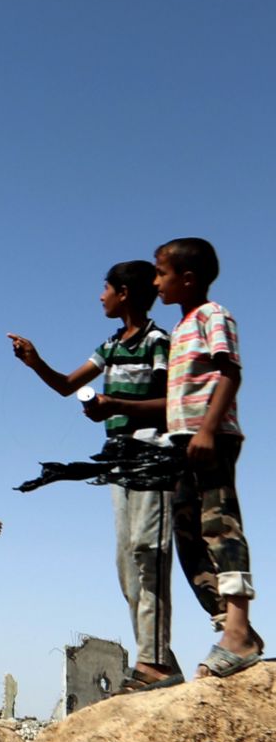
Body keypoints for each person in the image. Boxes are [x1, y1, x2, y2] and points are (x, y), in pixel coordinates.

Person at [7, 261, 181, 690]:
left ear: (124, 293)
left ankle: (153, 663)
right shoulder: (109, 346)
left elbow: (169, 402)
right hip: (120, 463)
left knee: (149, 552)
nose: (99, 296)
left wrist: (114, 405)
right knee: (127, 564)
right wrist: (35, 362)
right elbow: (68, 384)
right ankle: (160, 660)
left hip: (154, 459)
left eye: (105, 288)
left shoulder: (158, 342)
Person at [153, 237, 261, 677]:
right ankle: (229, 625)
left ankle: (238, 629)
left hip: (210, 438)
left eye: (162, 273)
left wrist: (209, 429)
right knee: (186, 533)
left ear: (188, 278)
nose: (156, 282)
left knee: (220, 525)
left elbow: (230, 371)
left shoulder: (213, 316)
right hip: (182, 442)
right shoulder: (179, 329)